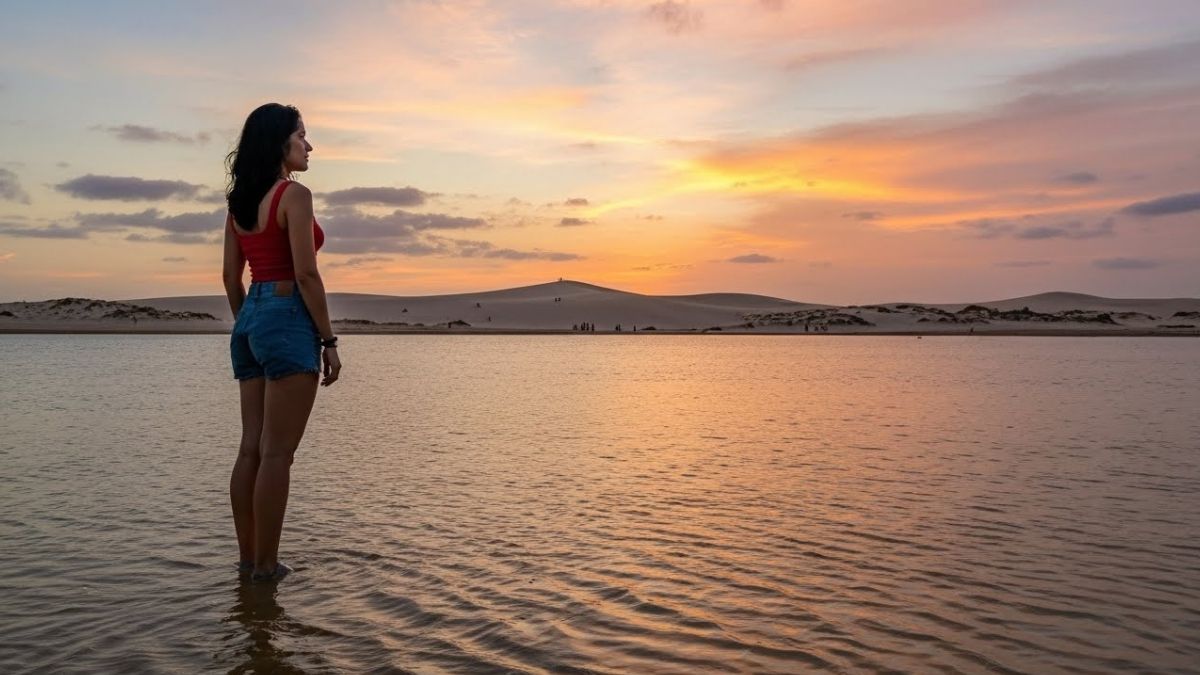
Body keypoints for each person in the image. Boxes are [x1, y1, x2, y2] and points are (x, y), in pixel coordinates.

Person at [222, 103, 342, 584]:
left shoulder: (239, 204)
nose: (309, 146)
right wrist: (329, 340)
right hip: (289, 315)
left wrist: (252, 321)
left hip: (249, 317)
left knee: (250, 448)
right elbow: (307, 273)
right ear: (281, 144)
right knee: (277, 455)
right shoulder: (293, 195)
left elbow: (231, 278)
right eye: (302, 136)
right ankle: (267, 568)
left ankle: (248, 561)